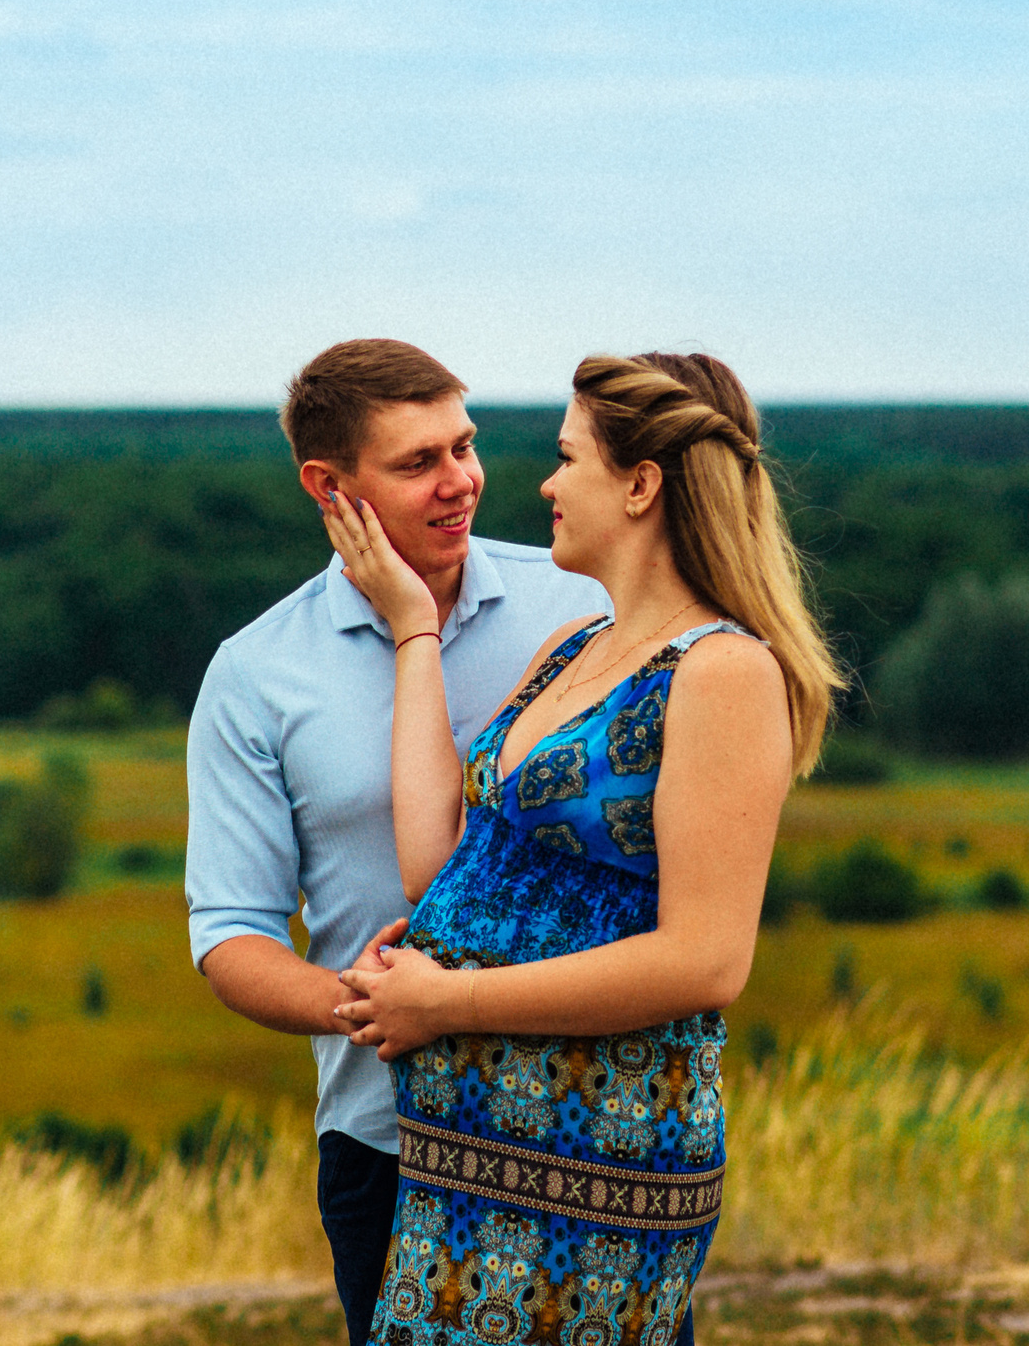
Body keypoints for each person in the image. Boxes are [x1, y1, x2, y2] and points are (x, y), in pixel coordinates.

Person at [323, 350, 843, 1346]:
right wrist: (411, 629)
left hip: (592, 1158)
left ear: (641, 483)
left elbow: (706, 958)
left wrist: (446, 1000)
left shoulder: (723, 671)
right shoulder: (571, 650)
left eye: (568, 458)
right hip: (468, 1149)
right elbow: (442, 868)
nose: (546, 484)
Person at [187, 339, 613, 1346]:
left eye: (464, 445)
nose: (461, 480)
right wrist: (363, 1002)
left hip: (589, 1115)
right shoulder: (256, 672)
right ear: (327, 486)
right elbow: (233, 934)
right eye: (418, 462)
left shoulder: (582, 603)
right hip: (387, 1139)